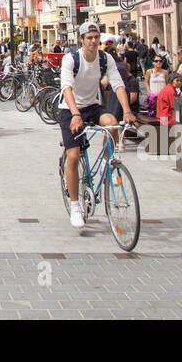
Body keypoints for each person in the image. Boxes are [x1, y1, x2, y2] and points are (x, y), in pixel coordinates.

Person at [61, 22, 138, 228]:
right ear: (82, 40)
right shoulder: (71, 59)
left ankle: (106, 162)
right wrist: (76, 114)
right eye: (89, 38)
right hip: (70, 108)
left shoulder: (105, 59)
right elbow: (67, 89)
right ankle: (75, 205)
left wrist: (128, 112)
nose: (94, 41)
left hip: (93, 105)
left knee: (113, 124)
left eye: (96, 37)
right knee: (74, 156)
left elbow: (118, 85)